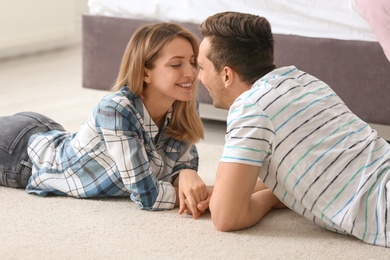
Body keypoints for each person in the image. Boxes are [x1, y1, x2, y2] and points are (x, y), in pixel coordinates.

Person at [197, 11, 390, 247]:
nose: (199, 77)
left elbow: (226, 216)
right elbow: (316, 166)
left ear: (227, 74)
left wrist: (271, 198)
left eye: (201, 68)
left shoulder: (250, 106)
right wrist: (225, 189)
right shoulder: (302, 80)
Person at [0, 23, 210, 219]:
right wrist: (212, 192)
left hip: (51, 132)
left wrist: (186, 173)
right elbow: (148, 195)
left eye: (192, 62)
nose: (191, 73)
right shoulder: (116, 110)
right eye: (176, 64)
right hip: (19, 157)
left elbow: (181, 165)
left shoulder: (184, 104)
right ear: (146, 73)